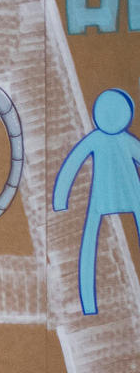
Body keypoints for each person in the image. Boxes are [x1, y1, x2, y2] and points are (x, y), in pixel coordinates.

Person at [53, 87, 140, 316]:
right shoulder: (121, 141)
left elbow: (71, 165)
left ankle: (90, 305)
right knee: (89, 240)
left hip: (117, 195)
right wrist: (60, 199)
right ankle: (89, 305)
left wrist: (61, 199)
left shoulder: (103, 140)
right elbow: (71, 165)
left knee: (90, 240)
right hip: (119, 194)